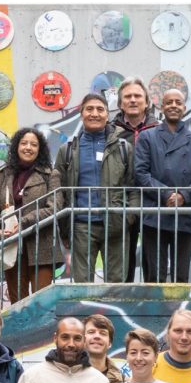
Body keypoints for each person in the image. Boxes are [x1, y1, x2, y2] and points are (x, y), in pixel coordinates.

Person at [134, 87, 191, 284]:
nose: (174, 106)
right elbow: (141, 173)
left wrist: (183, 196)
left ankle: (180, 314)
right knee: (154, 276)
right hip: (155, 213)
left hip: (184, 214)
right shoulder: (147, 137)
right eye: (169, 102)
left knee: (181, 276)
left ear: (185, 107)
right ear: (162, 107)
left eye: (178, 102)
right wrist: (166, 195)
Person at [57, 91, 133, 283]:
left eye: (100, 109)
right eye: (89, 109)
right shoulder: (67, 150)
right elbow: (59, 192)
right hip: (82, 225)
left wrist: (128, 218)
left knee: (116, 285)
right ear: (81, 113)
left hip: (116, 224)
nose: (94, 113)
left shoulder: (123, 148)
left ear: (107, 115)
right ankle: (86, 315)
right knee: (82, 285)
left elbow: (134, 186)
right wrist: (64, 228)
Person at [0, 127, 63, 300]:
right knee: (18, 302)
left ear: (39, 149)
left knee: (43, 301)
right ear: (16, 147)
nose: (28, 147)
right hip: (12, 246)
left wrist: (23, 222)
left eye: (34, 144)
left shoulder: (50, 175)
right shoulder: (2, 175)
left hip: (42, 246)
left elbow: (54, 207)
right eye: (24, 143)